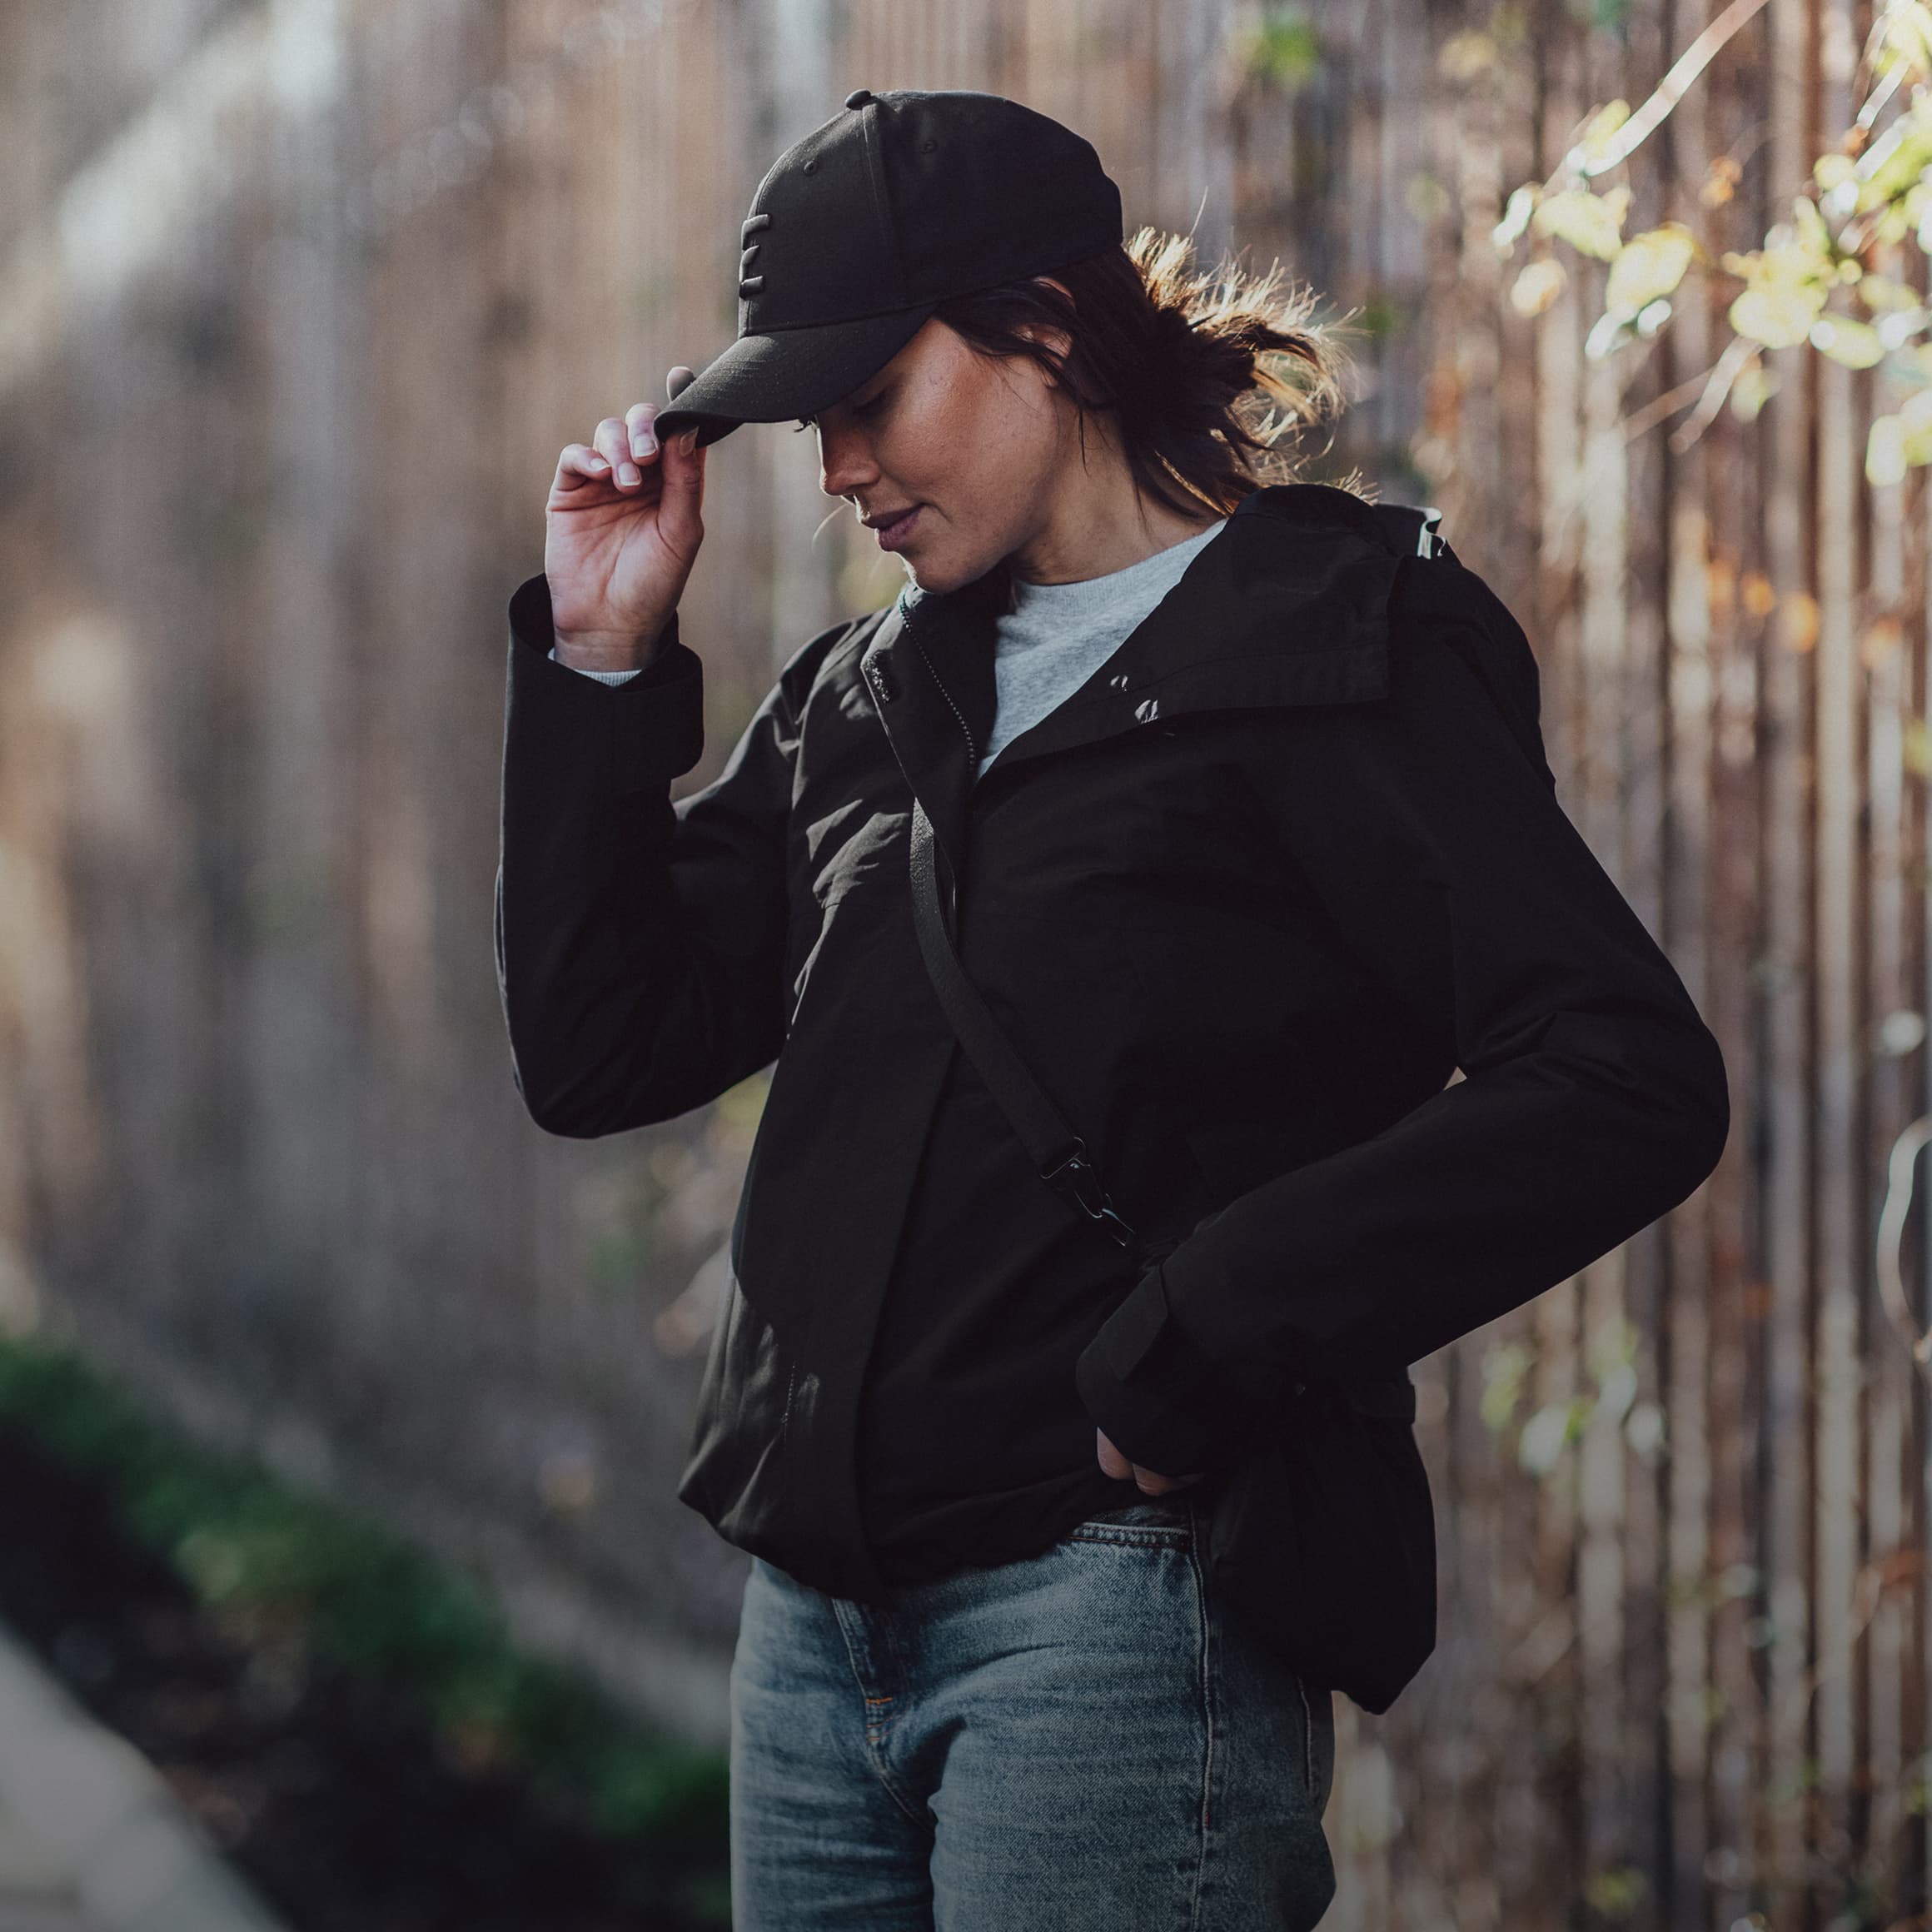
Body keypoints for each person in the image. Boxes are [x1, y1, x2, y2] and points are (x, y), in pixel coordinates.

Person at [495, 88, 1729, 1931]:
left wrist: (1220, 1319)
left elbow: (1620, 1074)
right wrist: (602, 663)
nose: (835, 467)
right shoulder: (862, 695)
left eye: (864, 397)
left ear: (1049, 332)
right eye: (810, 417)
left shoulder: (1333, 644)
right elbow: (597, 1050)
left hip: (1110, 1617)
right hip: (809, 1638)